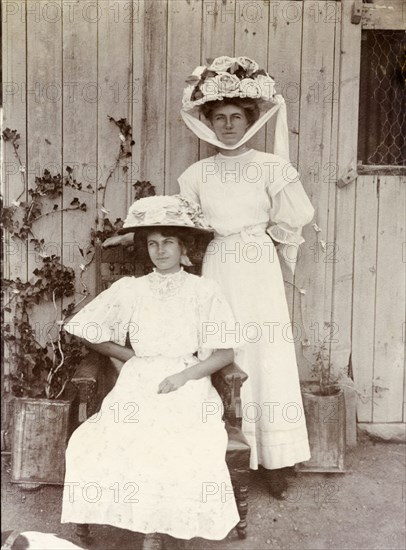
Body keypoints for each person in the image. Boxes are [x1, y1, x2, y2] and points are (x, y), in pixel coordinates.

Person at [61, 195, 240, 549]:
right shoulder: (132, 289)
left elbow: (224, 353)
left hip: (187, 379)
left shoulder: (204, 290)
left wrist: (183, 377)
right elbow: (85, 328)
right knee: (98, 440)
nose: (160, 251)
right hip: (139, 378)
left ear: (183, 246)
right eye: (153, 243)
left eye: (168, 242)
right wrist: (129, 356)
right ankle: (147, 525)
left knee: (177, 443)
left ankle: (157, 529)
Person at [177, 56, 315, 492]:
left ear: (251, 119)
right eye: (220, 118)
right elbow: (187, 224)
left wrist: (262, 237)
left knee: (266, 354)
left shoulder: (271, 166)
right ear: (207, 123)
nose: (229, 126)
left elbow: (297, 214)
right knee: (222, 348)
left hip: (257, 265)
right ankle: (222, 452)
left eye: (237, 117)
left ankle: (275, 460)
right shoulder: (196, 174)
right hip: (217, 265)